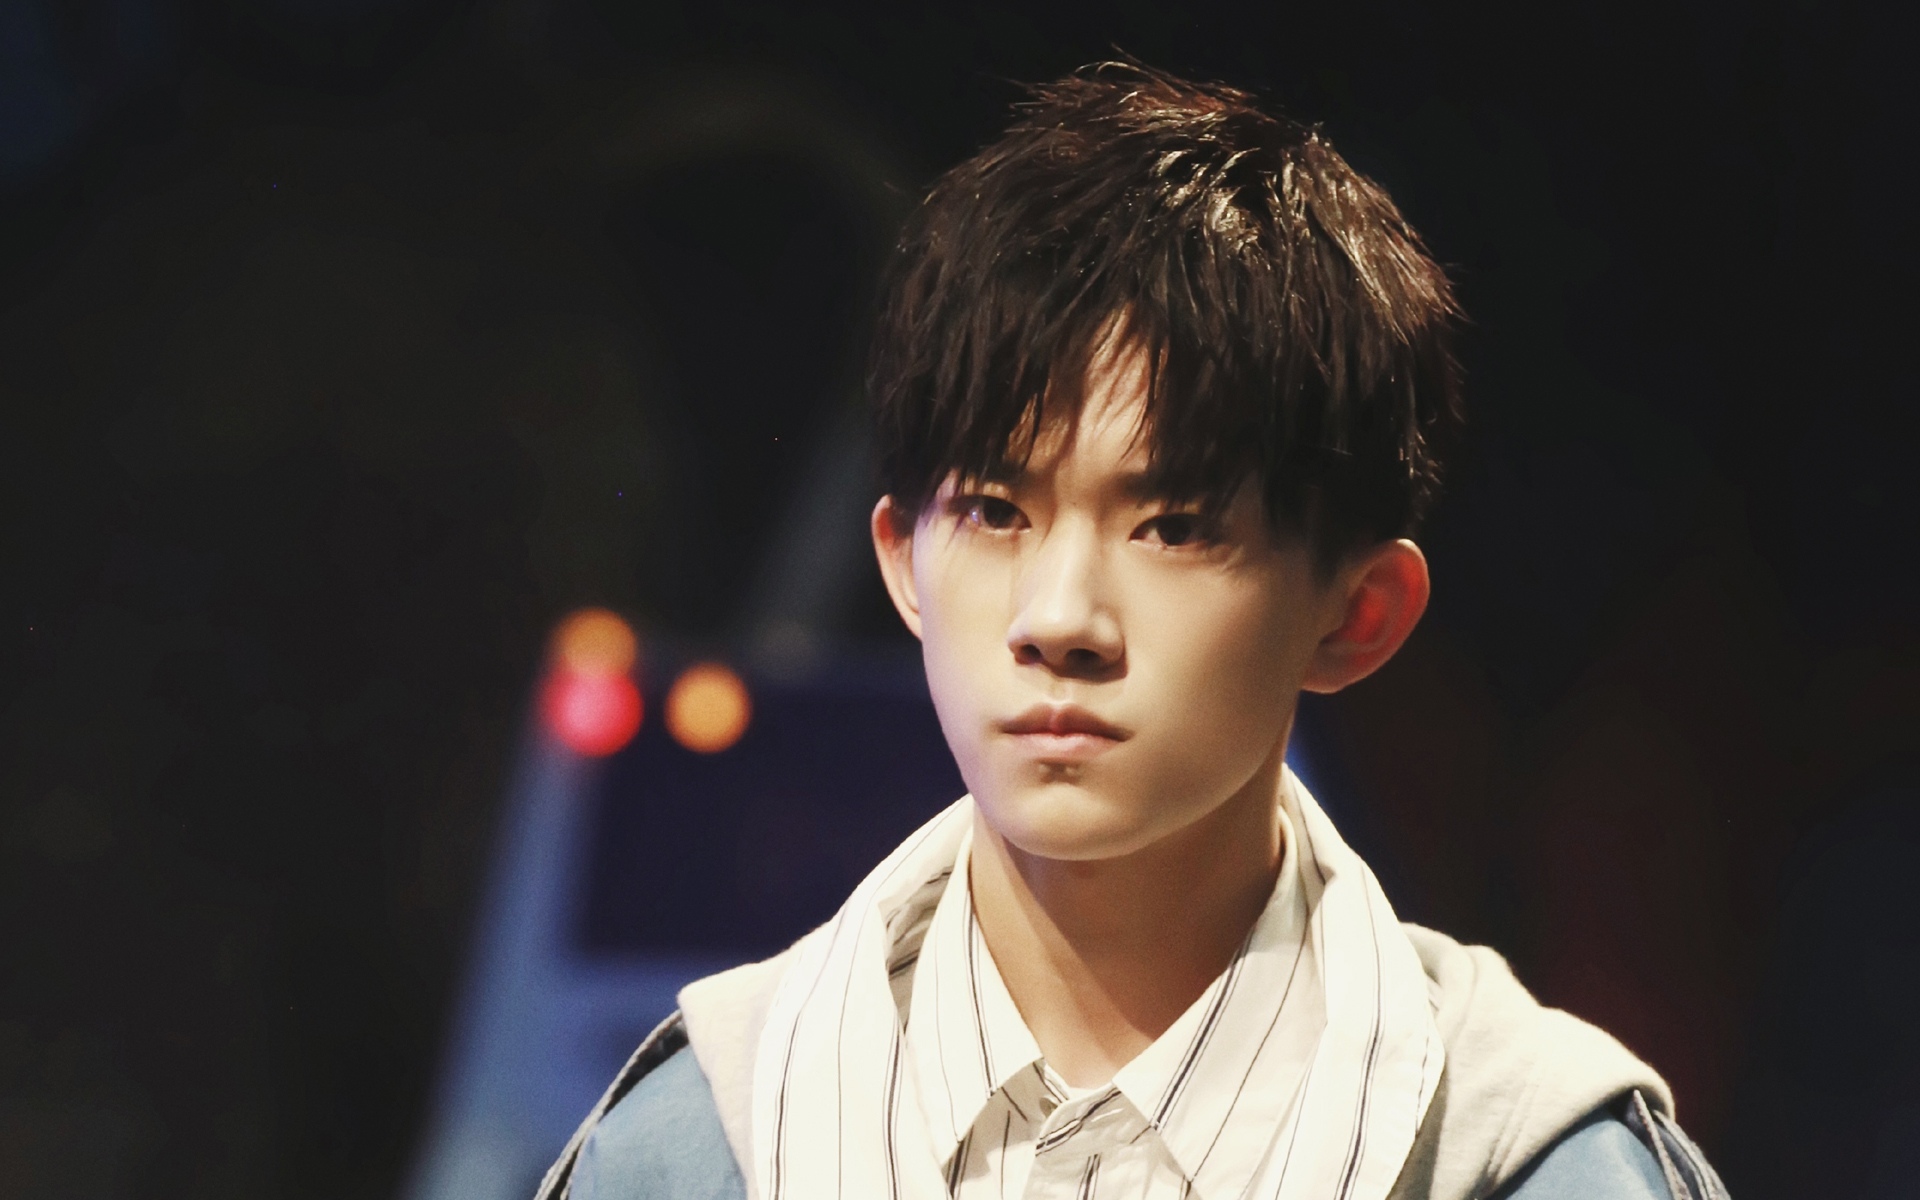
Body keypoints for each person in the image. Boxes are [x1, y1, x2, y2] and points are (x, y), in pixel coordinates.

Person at [536, 62, 1727, 1200]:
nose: (1060, 619)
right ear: (903, 562)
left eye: (1173, 528)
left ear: (1356, 614)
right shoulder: (697, 1149)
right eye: (995, 512)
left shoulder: (1535, 1165)